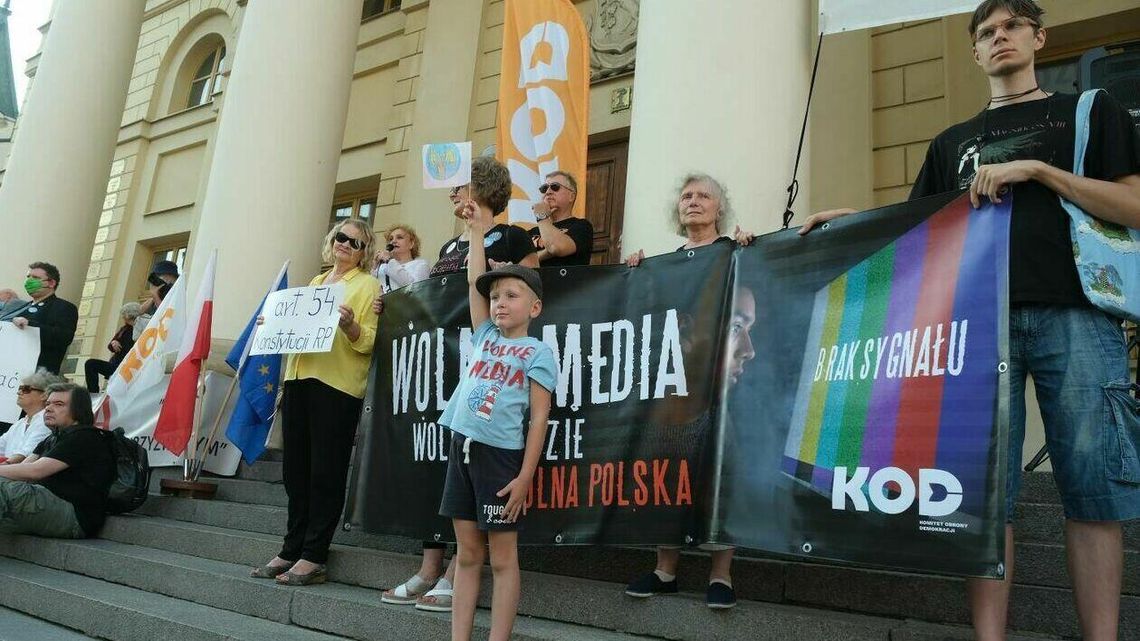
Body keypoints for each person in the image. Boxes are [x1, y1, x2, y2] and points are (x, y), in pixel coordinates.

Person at [800, 2, 1140, 639]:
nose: (1000, 38)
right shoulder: (949, 142)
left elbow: (1133, 206)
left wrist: (1038, 171)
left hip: (1080, 315)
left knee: (1095, 492)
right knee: (984, 499)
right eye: (986, 33)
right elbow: (917, 232)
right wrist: (845, 221)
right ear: (976, 54)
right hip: (976, 329)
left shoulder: (1090, 111)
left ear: (1038, 38)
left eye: (1011, 26)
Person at [623, 173, 756, 609]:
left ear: (720, 208)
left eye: (703, 196)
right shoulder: (666, 263)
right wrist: (635, 274)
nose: (693, 202)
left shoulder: (735, 253)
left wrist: (754, 250)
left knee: (722, 476)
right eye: (686, 196)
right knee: (667, 476)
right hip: (674, 394)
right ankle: (666, 570)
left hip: (722, 394)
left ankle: (721, 575)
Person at [440, 185, 556, 641]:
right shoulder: (485, 336)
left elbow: (540, 420)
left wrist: (526, 476)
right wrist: (474, 229)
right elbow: (474, 282)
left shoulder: (537, 352)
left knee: (502, 558)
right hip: (461, 449)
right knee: (468, 554)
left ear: (535, 306)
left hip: (501, 460)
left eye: (512, 294)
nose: (500, 302)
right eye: (497, 297)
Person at [249, 219, 380, 586]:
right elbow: (295, 330)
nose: (345, 245)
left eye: (355, 242)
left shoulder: (368, 285)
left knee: (325, 471)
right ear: (331, 241)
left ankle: (314, 554)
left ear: (364, 252)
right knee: (296, 471)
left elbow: (370, 339)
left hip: (336, 385)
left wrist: (351, 326)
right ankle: (291, 549)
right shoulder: (316, 284)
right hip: (299, 380)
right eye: (341, 237)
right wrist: (271, 323)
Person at [0, 383, 115, 538]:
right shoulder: (52, 438)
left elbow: (35, 471)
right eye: (48, 404)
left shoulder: (84, 437)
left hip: (73, 516)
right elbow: (22, 468)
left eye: (59, 404)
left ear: (78, 410)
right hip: (45, 505)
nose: (48, 408)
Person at [429, 157, 538, 277]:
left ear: (483, 185)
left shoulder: (513, 236)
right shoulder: (447, 247)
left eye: (458, 187)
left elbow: (533, 287)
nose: (451, 195)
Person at [0, 262, 78, 374]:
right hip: (8, 370)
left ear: (51, 283)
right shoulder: (22, 307)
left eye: (35, 278)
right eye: (28, 277)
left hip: (36, 375)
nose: (29, 281)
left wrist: (30, 325)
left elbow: (64, 337)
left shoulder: (63, 307)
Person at [529, 170, 594, 266]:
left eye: (555, 187)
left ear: (571, 196)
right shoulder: (530, 233)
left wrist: (542, 216)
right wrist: (546, 252)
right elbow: (520, 264)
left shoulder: (582, 226)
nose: (548, 192)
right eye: (544, 188)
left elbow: (556, 247)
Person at [0, 369, 62, 464]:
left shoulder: (46, 422)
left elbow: (24, 455)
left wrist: (4, 466)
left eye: (26, 389)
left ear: (44, 395)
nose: (19, 392)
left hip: (18, 475)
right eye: (20, 388)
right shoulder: (20, 423)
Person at [83, 302, 142, 394]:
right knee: (90, 364)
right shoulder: (124, 329)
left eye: (123, 316)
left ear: (127, 316)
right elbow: (110, 346)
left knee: (91, 364)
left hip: (125, 366)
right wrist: (114, 342)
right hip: (116, 364)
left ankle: (93, 393)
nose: (123, 318)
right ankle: (93, 392)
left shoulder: (138, 328)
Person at [372, 224, 431, 293]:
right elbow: (370, 290)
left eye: (399, 237)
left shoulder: (421, 265)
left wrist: (389, 261)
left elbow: (415, 290)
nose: (393, 241)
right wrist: (374, 267)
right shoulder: (382, 267)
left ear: (411, 244)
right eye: (391, 239)